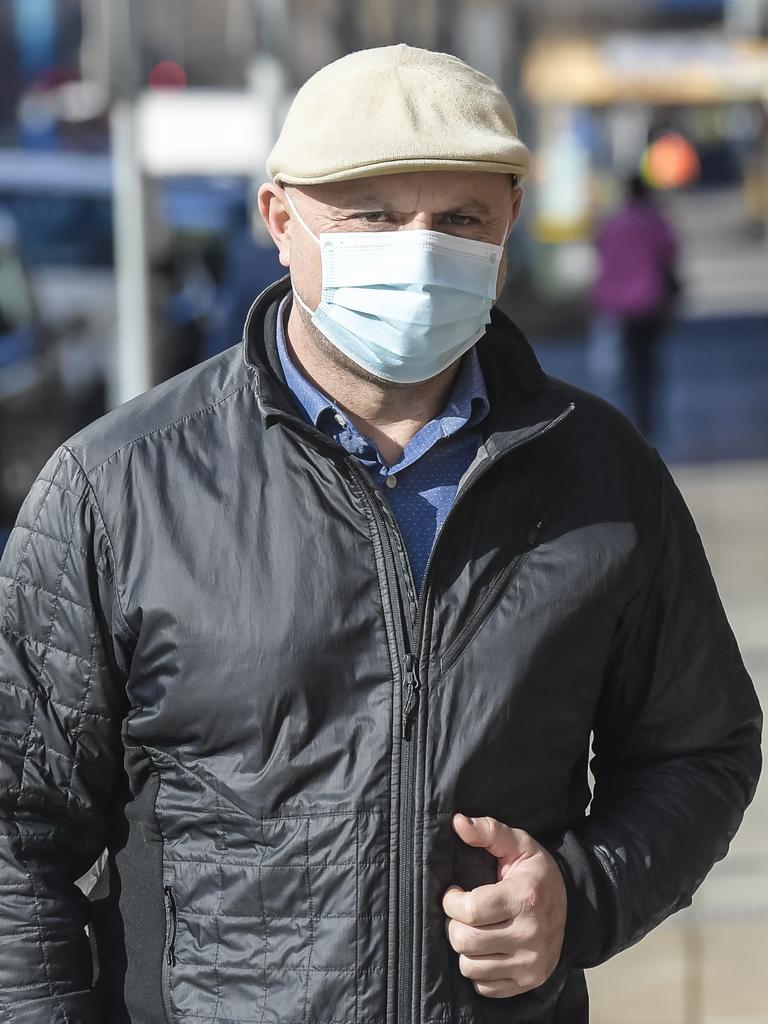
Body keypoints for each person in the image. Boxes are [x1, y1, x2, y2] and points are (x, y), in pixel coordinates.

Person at [0, 45, 760, 1024]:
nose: (416, 249)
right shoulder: (120, 490)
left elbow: (701, 748)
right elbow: (20, 827)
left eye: (459, 220)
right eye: (371, 217)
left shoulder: (599, 475)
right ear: (280, 219)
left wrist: (583, 895)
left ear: (509, 224)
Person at [593, 173, 680, 439]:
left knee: (625, 363)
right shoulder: (655, 222)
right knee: (648, 363)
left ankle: (625, 419)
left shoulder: (612, 223)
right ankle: (647, 418)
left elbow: (600, 252)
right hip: (650, 302)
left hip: (618, 304)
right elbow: (671, 253)